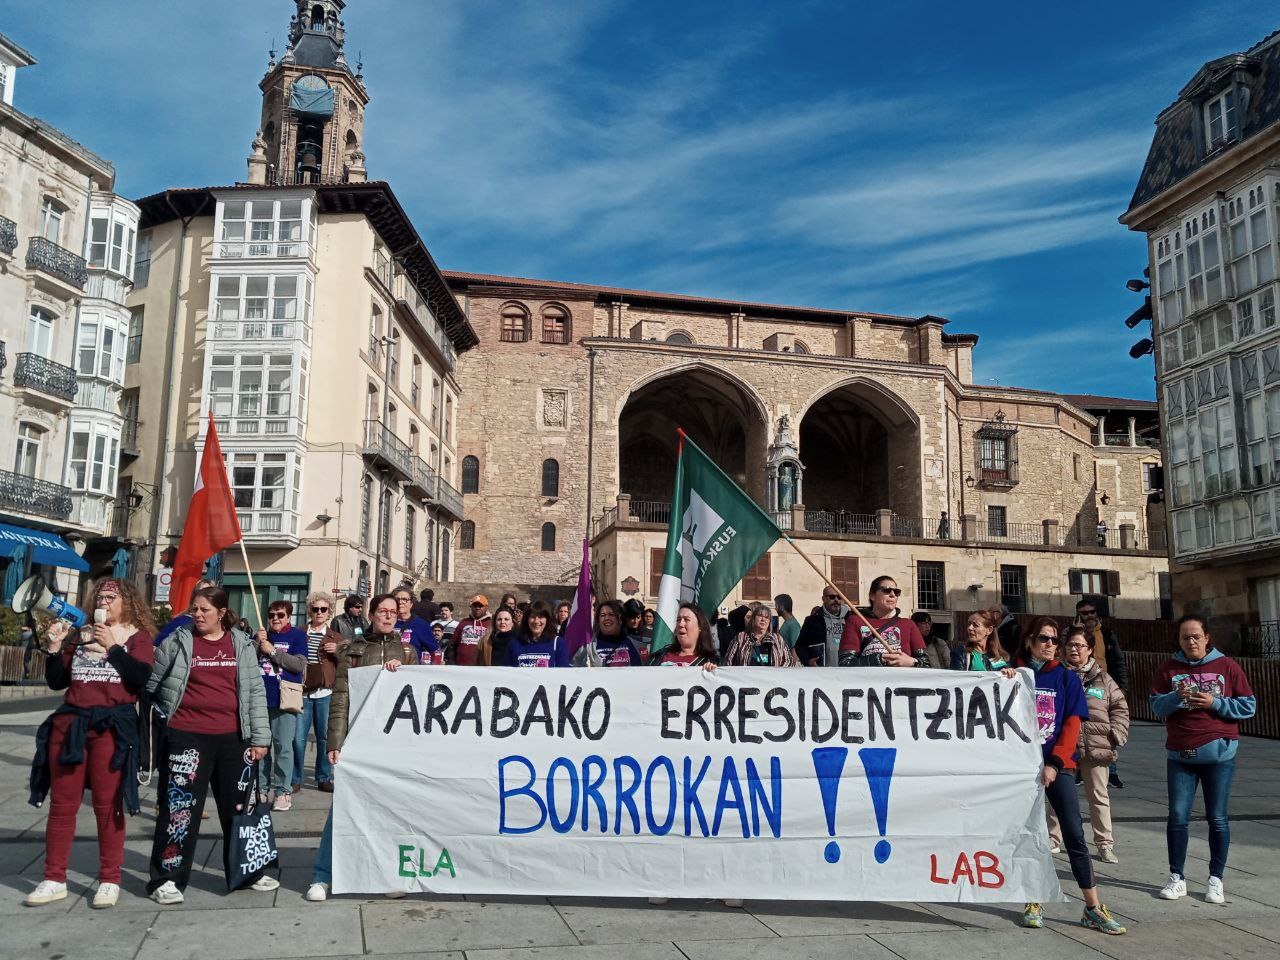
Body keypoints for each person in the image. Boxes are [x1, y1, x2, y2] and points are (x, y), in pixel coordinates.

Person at [26, 579, 155, 909]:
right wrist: (55, 648)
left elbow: (140, 679)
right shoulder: (81, 635)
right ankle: (54, 877)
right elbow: (58, 681)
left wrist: (112, 647)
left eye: (112, 597)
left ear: (127, 602)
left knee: (107, 804)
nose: (105, 601)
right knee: (63, 804)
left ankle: (110, 878)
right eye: (100, 596)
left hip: (112, 728)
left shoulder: (137, 638)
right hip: (72, 724)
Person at [145, 586, 275, 905]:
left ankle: (248, 871)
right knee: (180, 811)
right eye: (195, 609)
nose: (198, 615)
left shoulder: (242, 644)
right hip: (187, 737)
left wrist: (260, 738)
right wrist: (169, 712)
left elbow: (255, 693)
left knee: (239, 809)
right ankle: (168, 878)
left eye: (204, 610)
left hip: (234, 739)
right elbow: (151, 683)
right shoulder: (176, 642)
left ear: (221, 613)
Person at [1013, 617, 1125, 935]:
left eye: (1053, 640)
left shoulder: (1066, 678)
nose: (1050, 644)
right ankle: (1033, 899)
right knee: (1031, 836)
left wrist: (1056, 762)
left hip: (1058, 766)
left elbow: (1072, 723)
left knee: (1074, 835)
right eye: (1043, 639)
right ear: (1029, 642)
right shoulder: (1016, 675)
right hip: (1021, 768)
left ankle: (1092, 906)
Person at [307, 593, 416, 901]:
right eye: (383, 610)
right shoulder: (352, 650)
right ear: (372, 614)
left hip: (392, 744)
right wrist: (335, 742)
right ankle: (323, 875)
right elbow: (341, 697)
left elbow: (417, 696)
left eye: (394, 611)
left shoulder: (407, 652)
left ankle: (388, 874)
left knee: (391, 810)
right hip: (359, 739)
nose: (389, 616)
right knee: (342, 807)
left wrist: (403, 673)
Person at [1150, 613, 1256, 905]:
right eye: (1185, 637)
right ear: (1179, 640)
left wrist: (1214, 702)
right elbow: (1155, 704)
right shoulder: (1169, 668)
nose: (1191, 641)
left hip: (1219, 754)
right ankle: (1177, 877)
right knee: (1178, 817)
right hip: (1180, 754)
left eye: (1196, 636)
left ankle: (1216, 879)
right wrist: (1175, 697)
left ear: (1207, 637)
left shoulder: (1227, 666)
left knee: (1218, 818)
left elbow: (1248, 706)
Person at [1048, 626, 1129, 864]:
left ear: (1090, 649)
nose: (1074, 649)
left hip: (1095, 745)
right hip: (1062, 747)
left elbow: (1120, 708)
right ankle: (1053, 839)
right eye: (1071, 645)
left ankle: (1104, 844)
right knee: (1058, 795)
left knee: (1098, 795)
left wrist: (1115, 735)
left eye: (1080, 645)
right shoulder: (1056, 674)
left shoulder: (1103, 678)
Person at [255, 601, 308, 811]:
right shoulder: (262, 636)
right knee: (260, 747)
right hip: (260, 700)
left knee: (284, 748)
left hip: (284, 700)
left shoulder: (297, 636)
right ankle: (260, 788)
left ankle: (283, 791)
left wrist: (273, 651)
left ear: (289, 617)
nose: (275, 618)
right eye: (271, 615)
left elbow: (298, 665)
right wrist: (256, 643)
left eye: (280, 614)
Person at [1074, 599, 1128, 788]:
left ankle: (1111, 772)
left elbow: (1118, 660)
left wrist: (1122, 687)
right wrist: (1076, 632)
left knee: (1105, 730)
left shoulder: (1107, 633)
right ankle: (1079, 770)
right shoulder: (1072, 633)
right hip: (1081, 682)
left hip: (1105, 683)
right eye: (1084, 612)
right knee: (1082, 729)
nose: (1088, 616)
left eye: (1091, 612)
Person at [292, 591, 335, 795]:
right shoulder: (299, 632)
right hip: (302, 691)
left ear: (329, 612)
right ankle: (295, 778)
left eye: (323, 609)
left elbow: (346, 663)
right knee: (298, 738)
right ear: (309, 610)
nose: (319, 612)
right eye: (315, 608)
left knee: (324, 737)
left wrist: (339, 650)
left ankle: (324, 777)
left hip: (325, 691)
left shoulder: (336, 636)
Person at [839, 576, 928, 668]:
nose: (893, 595)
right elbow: (845, 663)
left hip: (901, 681)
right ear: (872, 595)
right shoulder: (855, 621)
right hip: (868, 681)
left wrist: (912, 662)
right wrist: (880, 659)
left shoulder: (908, 624)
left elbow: (926, 663)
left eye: (897, 592)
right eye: (886, 590)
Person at [722, 603, 798, 667]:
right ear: (753, 619)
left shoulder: (777, 639)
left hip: (772, 682)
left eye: (766, 617)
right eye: (760, 616)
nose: (763, 619)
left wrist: (778, 674)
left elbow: (789, 661)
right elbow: (728, 660)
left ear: (769, 622)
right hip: (746, 682)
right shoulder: (741, 637)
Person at [650, 603, 719, 668]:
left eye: (686, 619)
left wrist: (714, 674)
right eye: (678, 620)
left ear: (700, 626)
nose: (680, 624)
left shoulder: (714, 662)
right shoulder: (658, 657)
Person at [573, 600, 640, 667]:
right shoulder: (588, 646)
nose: (606, 618)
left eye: (611, 614)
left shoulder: (632, 643)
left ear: (620, 619)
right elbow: (576, 668)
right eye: (603, 615)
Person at [507, 601, 569, 667]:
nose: (536, 621)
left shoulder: (558, 643)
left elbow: (563, 674)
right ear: (527, 619)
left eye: (540, 617)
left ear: (547, 619)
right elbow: (506, 673)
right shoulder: (514, 643)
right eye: (533, 617)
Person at [796, 587, 849, 666]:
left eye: (839, 597)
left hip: (848, 671)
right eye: (832, 597)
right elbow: (800, 646)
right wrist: (808, 660)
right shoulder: (812, 621)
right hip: (823, 672)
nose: (836, 600)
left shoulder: (850, 618)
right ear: (823, 599)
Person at [393, 586, 439, 663]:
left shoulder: (421, 625)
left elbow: (436, 651)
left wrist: (434, 669)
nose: (400, 602)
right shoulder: (385, 622)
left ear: (411, 604)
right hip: (387, 670)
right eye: (397, 599)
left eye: (405, 599)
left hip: (411, 670)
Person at [451, 595, 492, 665]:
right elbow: (453, 644)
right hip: (461, 665)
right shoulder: (463, 622)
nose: (477, 608)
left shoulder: (491, 624)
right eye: (475, 606)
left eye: (480, 606)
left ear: (486, 607)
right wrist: (451, 661)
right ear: (471, 607)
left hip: (483, 667)